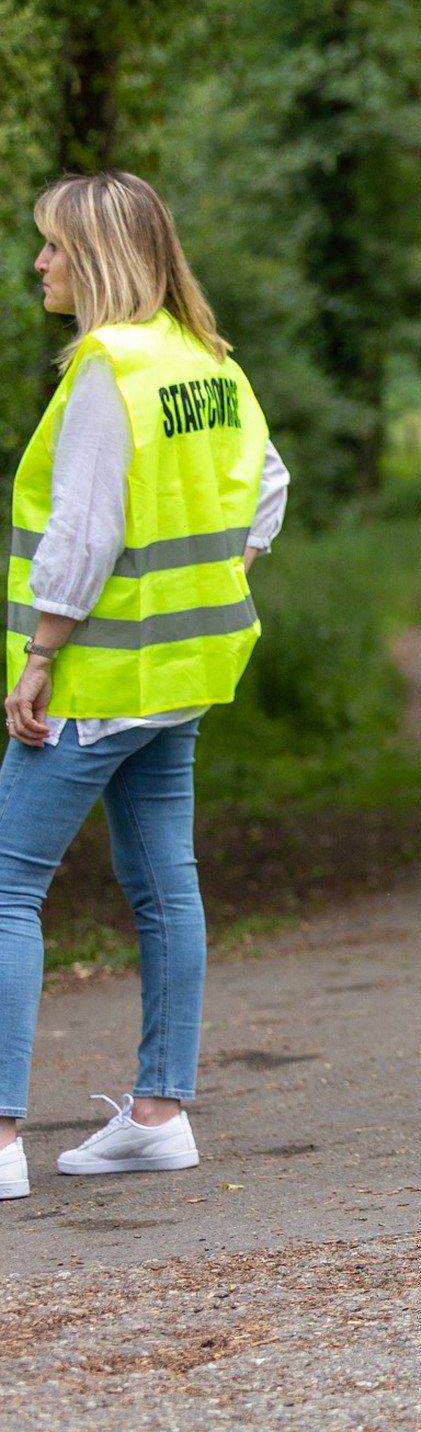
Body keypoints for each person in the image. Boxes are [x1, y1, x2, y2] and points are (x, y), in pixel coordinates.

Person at [0, 171, 290, 1199]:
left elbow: (83, 533)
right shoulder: (208, 360)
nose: (40, 261)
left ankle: (0, 1135)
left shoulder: (107, 368)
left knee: (6, 885)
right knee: (166, 885)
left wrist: (41, 654)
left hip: (100, 679)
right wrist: (214, 579)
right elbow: (268, 491)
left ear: (99, 257)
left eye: (54, 245)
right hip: (182, 674)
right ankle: (160, 1116)